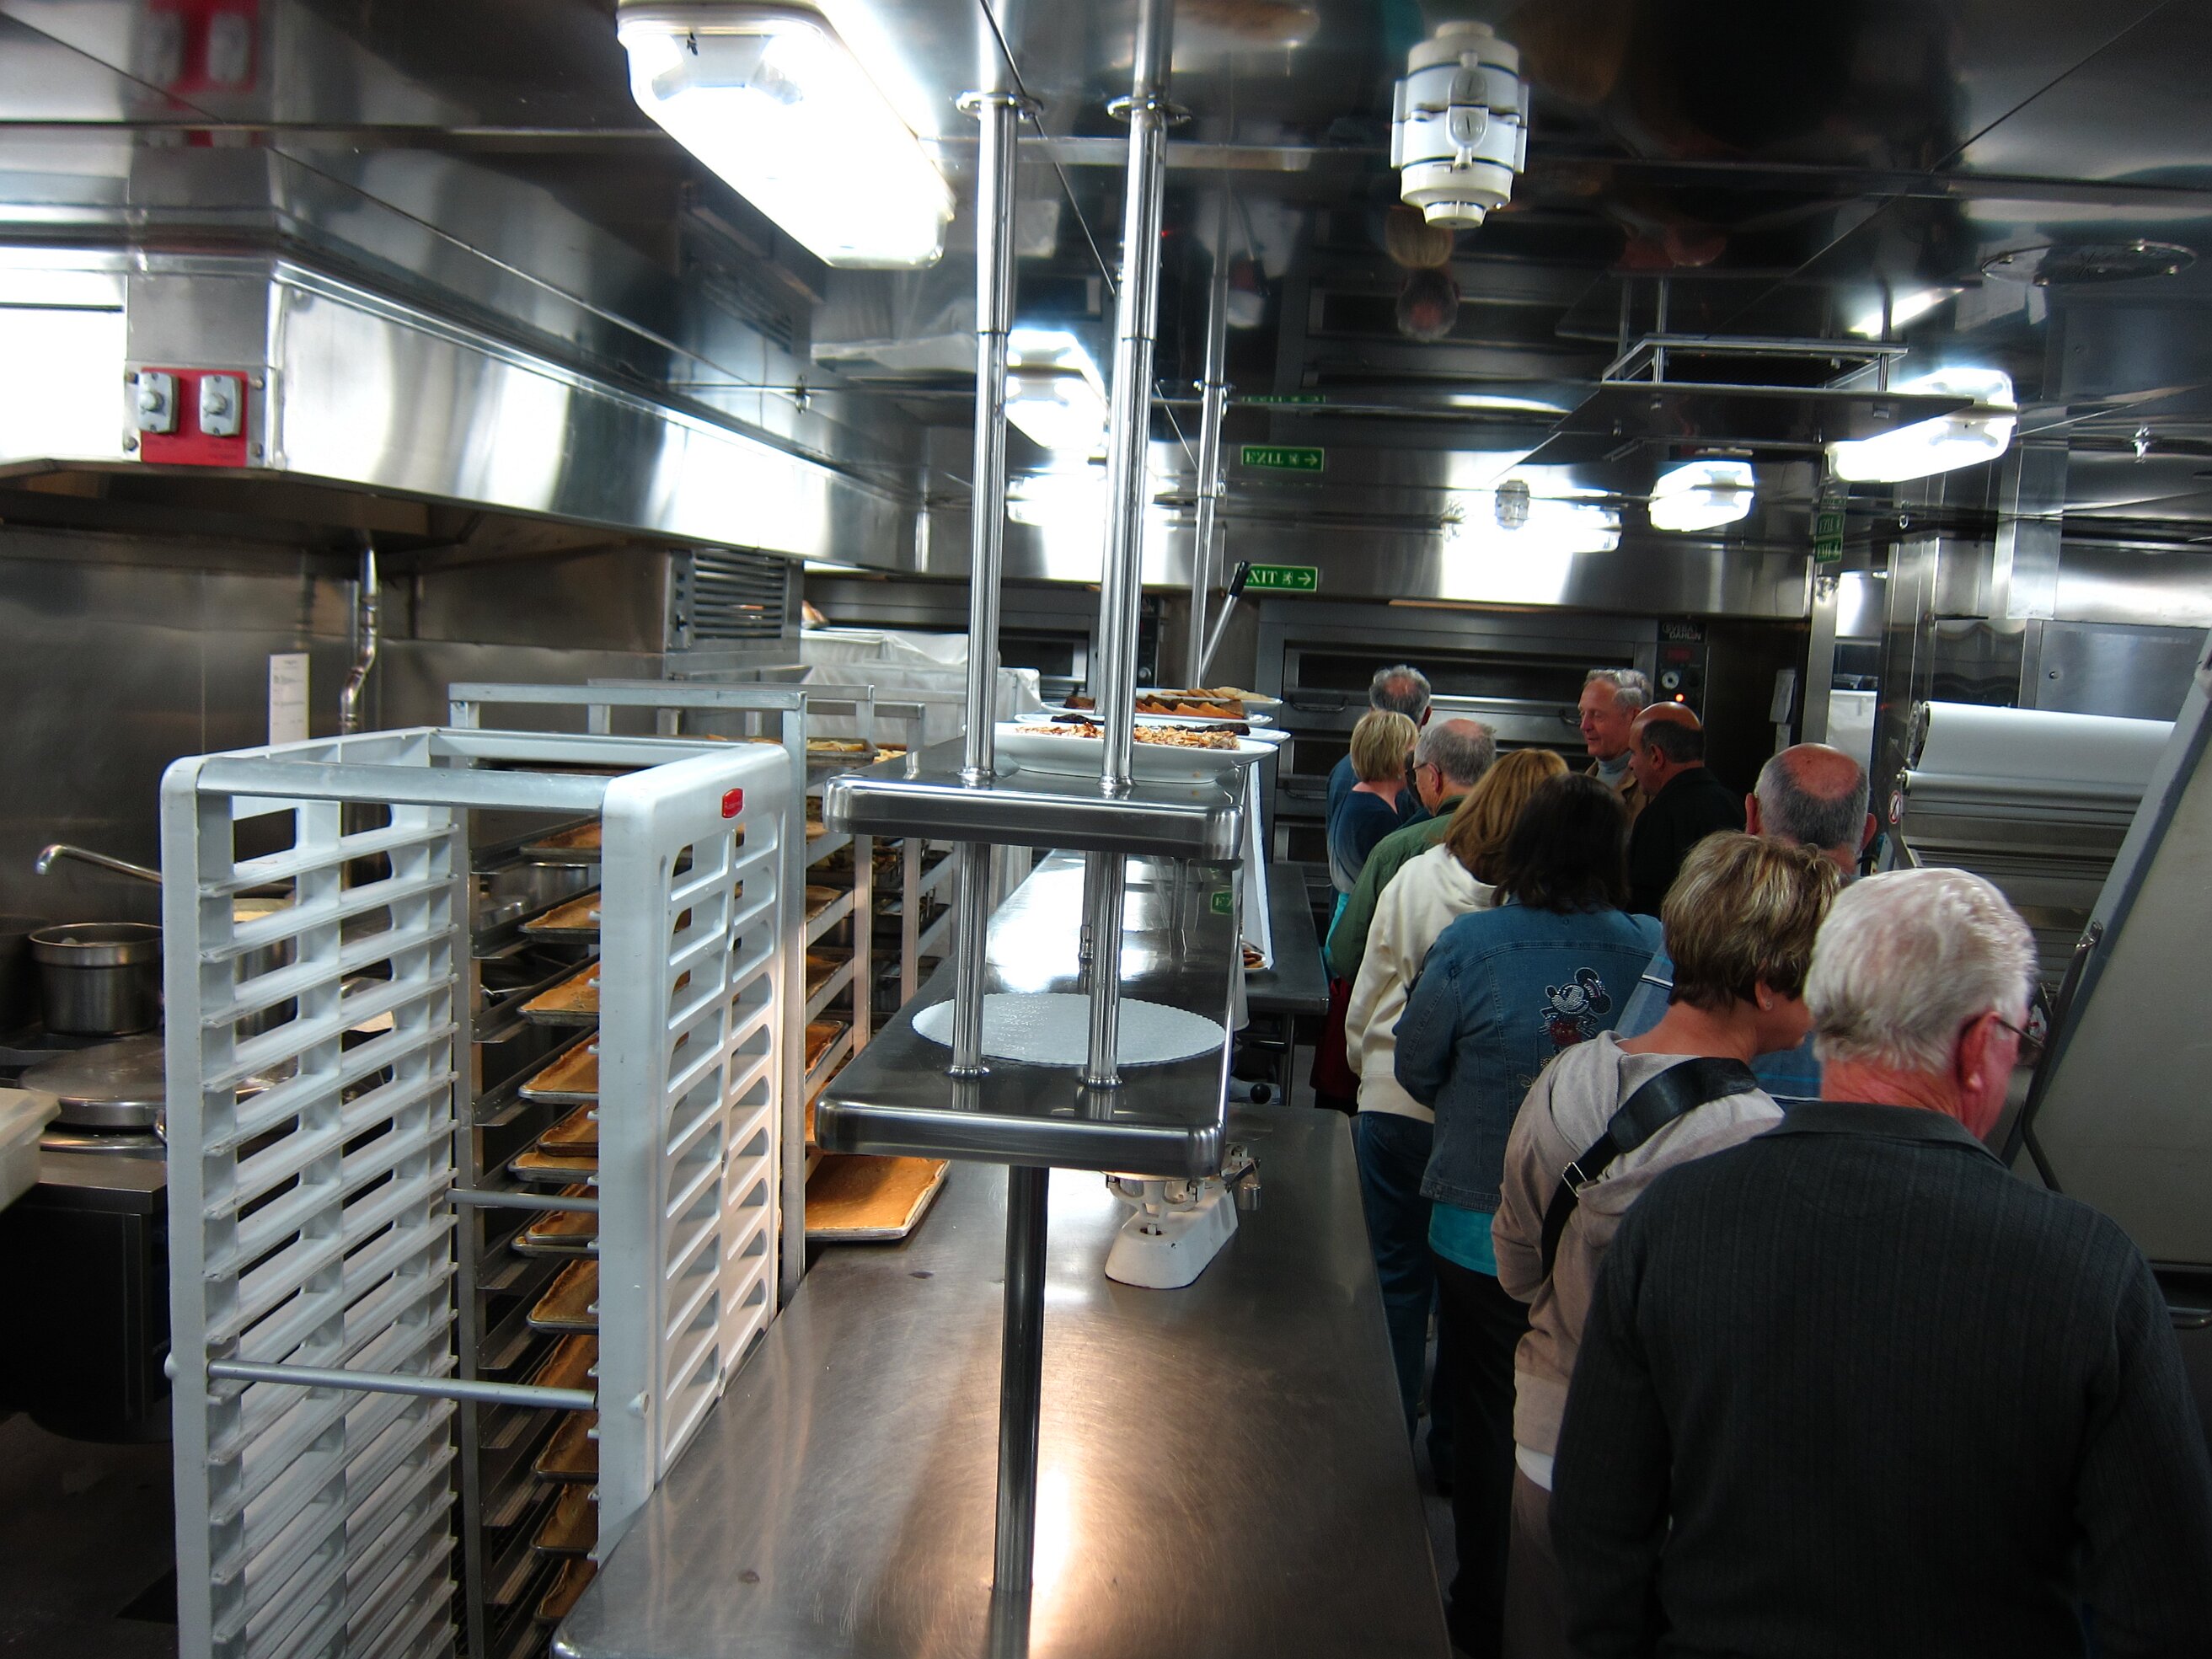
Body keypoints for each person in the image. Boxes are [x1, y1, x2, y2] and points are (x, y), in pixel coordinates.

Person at [1552, 868, 2212, 1658]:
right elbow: (2164, 1597)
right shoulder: (2089, 1272)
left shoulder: (1671, 1223)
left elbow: (1597, 1520)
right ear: (1978, 1047)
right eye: (2017, 1036)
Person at [1490, 833, 1841, 1659]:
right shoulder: (1756, 1145)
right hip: (1666, 1486)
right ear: (1768, 982)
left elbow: (1515, 1265)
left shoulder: (1569, 1075)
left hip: (1543, 1445)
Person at [1393, 773, 1660, 1659]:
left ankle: (1482, 1611)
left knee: (1486, 1420)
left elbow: (1414, 1064)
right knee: (1603, 1427)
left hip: (1478, 1225)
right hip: (1618, 1231)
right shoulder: (1653, 948)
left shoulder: (1472, 944)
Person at [1341, 749, 1566, 1460]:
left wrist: (1369, 1071)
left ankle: (1384, 1441)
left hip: (1393, 1105)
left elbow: (1370, 986)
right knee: (1470, 1294)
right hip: (1489, 1126)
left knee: (1396, 1279)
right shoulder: (1544, 913)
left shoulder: (1416, 874)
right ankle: (1450, 1451)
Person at [1614, 741, 1874, 1096]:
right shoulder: (1900, 938)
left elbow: (1638, 1073)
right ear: (1867, 832)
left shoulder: (1717, 915)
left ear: (1752, 815)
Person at [1326, 718, 1497, 984]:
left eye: (1415, 769)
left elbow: (1345, 956)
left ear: (1433, 777)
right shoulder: (1524, 841)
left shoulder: (1397, 849)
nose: (1413, 780)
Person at [1622, 704, 1743, 915]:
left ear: (1656, 756)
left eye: (1633, 753)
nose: (1630, 764)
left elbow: (1646, 909)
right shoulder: (1735, 805)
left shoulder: (1656, 819)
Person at [1326, 665, 1433, 892]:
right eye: (1412, 752)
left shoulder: (1342, 771)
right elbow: (1391, 880)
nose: (1415, 763)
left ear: (1372, 709)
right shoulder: (1386, 809)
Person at [1329, 709, 1421, 891]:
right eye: (1412, 753)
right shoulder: (1377, 817)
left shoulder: (1360, 799)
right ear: (1395, 757)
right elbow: (1390, 886)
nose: (1417, 761)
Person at [1577, 669, 1651, 820]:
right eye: (1582, 714)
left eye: (1597, 715)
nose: (1584, 726)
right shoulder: (1581, 786)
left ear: (1634, 717)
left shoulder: (1651, 788)